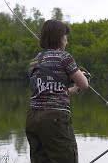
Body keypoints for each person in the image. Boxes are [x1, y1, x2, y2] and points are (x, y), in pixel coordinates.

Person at [25, 19, 88, 163]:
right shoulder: (64, 57)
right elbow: (84, 84)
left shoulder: (34, 61)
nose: (67, 41)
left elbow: (45, 92)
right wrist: (82, 80)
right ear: (60, 37)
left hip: (33, 118)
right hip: (55, 119)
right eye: (66, 37)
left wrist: (72, 90)